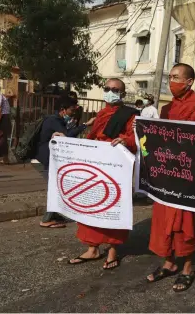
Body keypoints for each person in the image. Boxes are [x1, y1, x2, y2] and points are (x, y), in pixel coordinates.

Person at [146, 63, 195, 292]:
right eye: (170, 77)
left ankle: (187, 266)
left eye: (176, 77)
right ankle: (168, 262)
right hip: (165, 174)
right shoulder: (166, 110)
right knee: (163, 221)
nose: (172, 82)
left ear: (189, 82)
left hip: (186, 175)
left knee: (185, 224)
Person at [68, 78, 137, 270]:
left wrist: (124, 140)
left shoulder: (130, 114)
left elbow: (137, 137)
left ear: (122, 93)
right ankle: (93, 248)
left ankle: (113, 250)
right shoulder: (101, 113)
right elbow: (91, 137)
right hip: (97, 165)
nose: (110, 91)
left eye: (115, 89)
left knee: (113, 206)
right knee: (93, 204)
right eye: (107, 88)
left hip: (116, 166)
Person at [36, 98, 95, 228]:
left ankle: (55, 215)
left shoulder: (56, 120)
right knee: (56, 188)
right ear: (63, 110)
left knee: (57, 186)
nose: (73, 113)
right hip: (45, 159)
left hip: (48, 158)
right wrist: (85, 125)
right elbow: (67, 136)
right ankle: (46, 219)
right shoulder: (54, 120)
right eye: (72, 110)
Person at [0, 85, 12, 165]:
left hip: (3, 118)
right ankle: (5, 158)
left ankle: (5, 158)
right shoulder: (1, 96)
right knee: (2, 138)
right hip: (4, 118)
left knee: (2, 139)